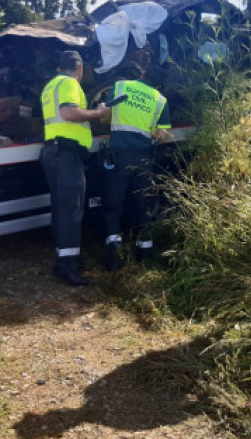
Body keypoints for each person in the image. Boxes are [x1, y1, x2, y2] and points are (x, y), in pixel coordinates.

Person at [40, 51, 111, 286]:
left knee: (61, 209)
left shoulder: (50, 86)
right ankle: (67, 268)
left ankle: (63, 258)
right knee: (72, 210)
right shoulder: (69, 83)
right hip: (67, 154)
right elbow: (69, 113)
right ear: (79, 69)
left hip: (53, 152)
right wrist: (98, 113)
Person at [101, 64, 171, 272]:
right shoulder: (160, 100)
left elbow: (105, 115)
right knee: (144, 206)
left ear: (143, 73)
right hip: (143, 159)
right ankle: (145, 256)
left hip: (118, 157)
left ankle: (114, 259)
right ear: (158, 84)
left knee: (113, 206)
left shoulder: (121, 86)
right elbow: (163, 135)